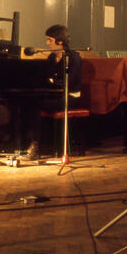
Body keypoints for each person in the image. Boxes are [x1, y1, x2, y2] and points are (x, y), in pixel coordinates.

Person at [18, 24, 82, 160]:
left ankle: (35, 145)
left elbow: (70, 82)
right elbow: (46, 79)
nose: (46, 43)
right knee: (26, 101)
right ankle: (25, 143)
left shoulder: (74, 57)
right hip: (55, 95)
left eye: (49, 40)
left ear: (60, 42)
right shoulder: (51, 58)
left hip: (70, 97)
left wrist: (52, 82)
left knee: (36, 104)